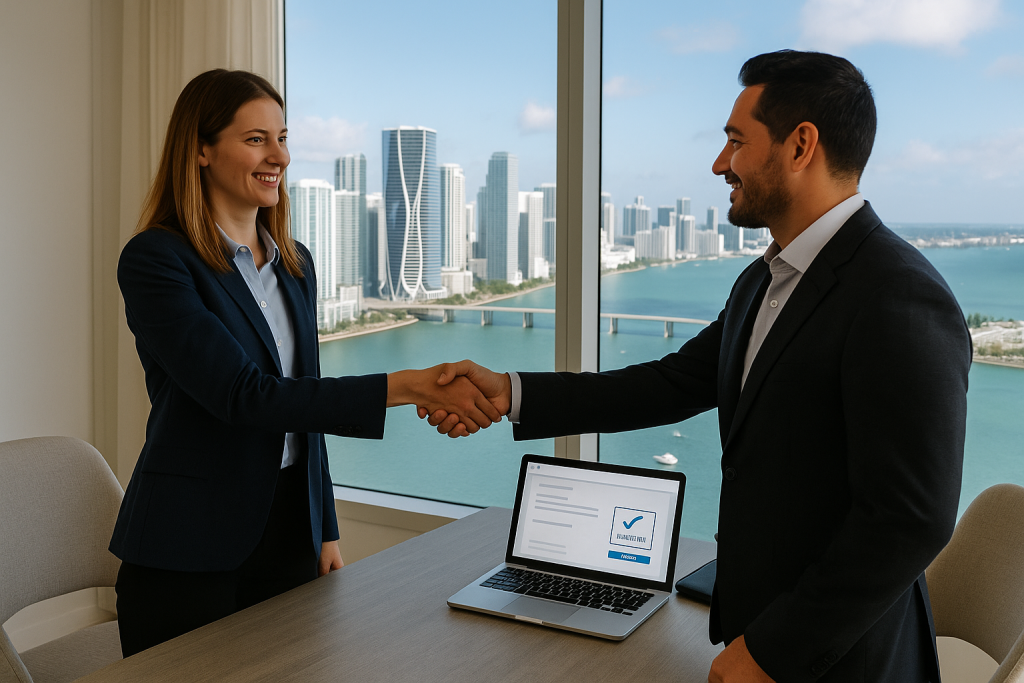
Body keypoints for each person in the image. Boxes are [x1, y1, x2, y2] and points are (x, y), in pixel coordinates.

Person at [423, 51, 971, 683]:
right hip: (757, 627)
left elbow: (909, 521)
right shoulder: (763, 281)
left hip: (843, 661)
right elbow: (670, 383)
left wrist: (773, 651)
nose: (719, 163)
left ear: (800, 146)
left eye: (736, 141)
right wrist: (511, 392)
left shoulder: (898, 294)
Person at [110, 69, 501, 657]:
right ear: (200, 150)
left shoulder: (295, 263)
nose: (280, 157)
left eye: (283, 138)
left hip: (292, 531)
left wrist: (326, 526)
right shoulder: (157, 260)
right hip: (188, 545)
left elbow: (305, 403)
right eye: (256, 139)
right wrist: (407, 386)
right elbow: (245, 396)